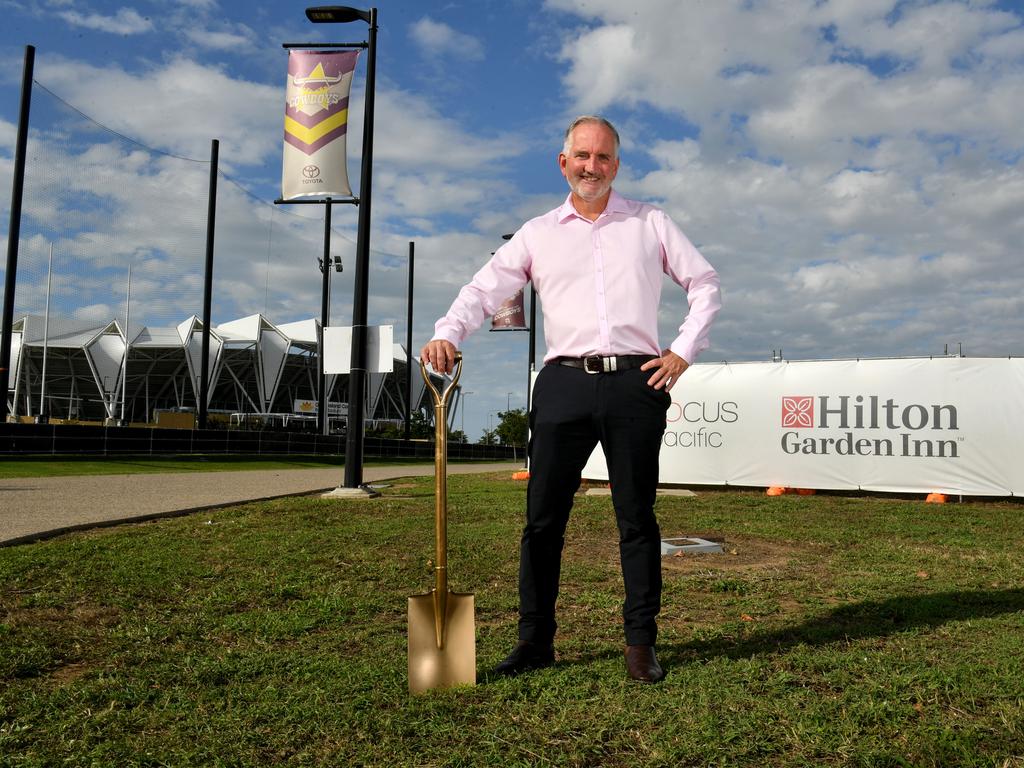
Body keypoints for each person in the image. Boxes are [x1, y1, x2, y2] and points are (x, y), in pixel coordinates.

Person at [421, 115, 721, 683]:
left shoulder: (650, 222)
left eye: (604, 157)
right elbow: (483, 291)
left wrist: (681, 350)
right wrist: (447, 332)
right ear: (564, 163)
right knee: (542, 521)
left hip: (637, 381)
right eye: (583, 155)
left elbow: (704, 282)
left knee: (636, 518)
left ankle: (640, 645)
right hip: (562, 384)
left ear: (616, 165)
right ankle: (535, 642)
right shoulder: (537, 233)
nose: (592, 166)